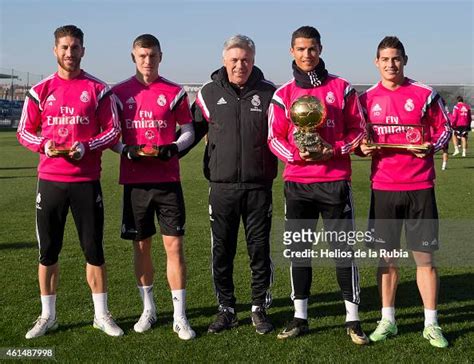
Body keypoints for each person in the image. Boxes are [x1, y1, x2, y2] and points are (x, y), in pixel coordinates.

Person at [17, 25, 122, 338]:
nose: (69, 53)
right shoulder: (40, 90)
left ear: (83, 51)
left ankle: (101, 315)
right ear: (55, 50)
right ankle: (48, 316)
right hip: (50, 182)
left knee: (94, 250)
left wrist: (86, 146)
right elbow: (25, 131)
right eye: (64, 47)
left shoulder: (99, 89)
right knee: (48, 251)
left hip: (86, 182)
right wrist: (43, 145)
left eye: (75, 47)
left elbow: (113, 131)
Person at [268, 26, 368, 344]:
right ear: (291, 52)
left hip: (335, 182)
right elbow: (274, 137)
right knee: (299, 251)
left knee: (343, 251)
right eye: (300, 49)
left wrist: (334, 150)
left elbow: (359, 130)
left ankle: (352, 320)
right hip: (297, 184)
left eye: (311, 49)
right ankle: (300, 316)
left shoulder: (342, 88)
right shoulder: (282, 94)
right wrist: (297, 156)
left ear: (320, 49)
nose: (306, 54)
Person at [358, 36, 451, 348]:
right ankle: (388, 319)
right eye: (385, 59)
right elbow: (360, 141)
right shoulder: (366, 98)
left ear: (405, 60)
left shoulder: (424, 94)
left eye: (396, 58)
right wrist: (362, 148)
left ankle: (432, 323)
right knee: (386, 259)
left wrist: (431, 147)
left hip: (420, 187)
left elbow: (444, 130)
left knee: (425, 259)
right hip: (383, 187)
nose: (390, 64)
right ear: (376, 62)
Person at [187, 34, 277, 334]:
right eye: (234, 60)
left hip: (258, 187)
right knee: (222, 251)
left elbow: (283, 135)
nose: (240, 65)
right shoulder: (208, 93)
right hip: (222, 188)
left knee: (259, 250)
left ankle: (258, 308)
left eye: (246, 59)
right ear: (224, 61)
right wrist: (165, 152)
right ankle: (226, 308)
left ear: (253, 60)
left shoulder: (269, 93)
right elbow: (192, 133)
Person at [111, 34, 195, 340]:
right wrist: (125, 150)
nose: (148, 61)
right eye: (142, 55)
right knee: (141, 246)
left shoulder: (174, 92)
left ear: (161, 56)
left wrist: (173, 147)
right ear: (134, 57)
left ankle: (180, 315)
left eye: (153, 55)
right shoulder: (118, 93)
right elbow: (110, 134)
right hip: (135, 182)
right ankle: (149, 308)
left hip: (168, 181)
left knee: (174, 247)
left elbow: (187, 130)